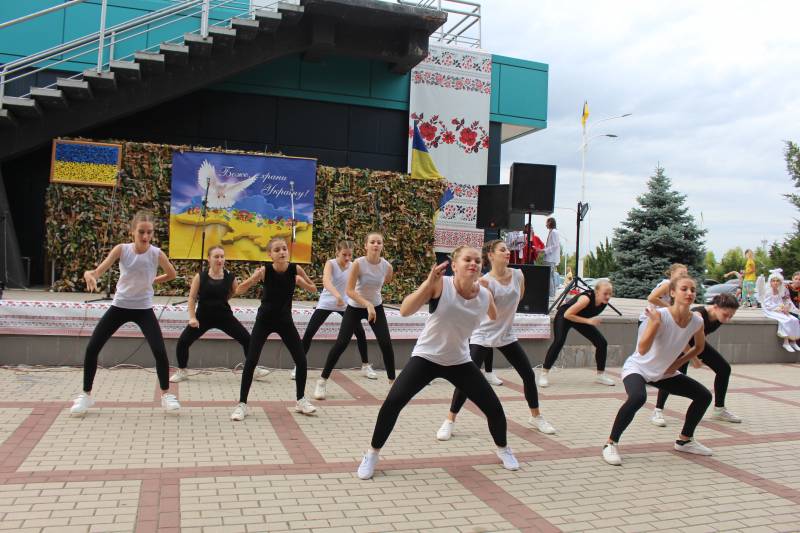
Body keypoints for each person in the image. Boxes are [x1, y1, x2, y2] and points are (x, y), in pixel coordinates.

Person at [356, 247, 518, 480]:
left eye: (477, 260)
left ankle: (503, 450)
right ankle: (372, 454)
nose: (473, 263)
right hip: (427, 357)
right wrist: (427, 284)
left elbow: (493, 315)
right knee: (393, 402)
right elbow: (404, 310)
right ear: (454, 265)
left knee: (493, 408)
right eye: (467, 259)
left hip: (459, 360)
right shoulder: (441, 285)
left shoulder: (484, 295)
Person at [435, 240, 556, 441]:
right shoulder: (485, 282)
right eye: (502, 250)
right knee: (466, 380)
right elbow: (486, 310)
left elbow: (519, 297)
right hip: (483, 335)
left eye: (508, 249)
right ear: (491, 255)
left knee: (527, 374)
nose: (507, 252)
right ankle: (449, 420)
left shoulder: (518, 275)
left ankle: (536, 417)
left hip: (506, 334)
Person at [71, 210, 180, 416]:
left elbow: (172, 274)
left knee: (159, 351)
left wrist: (154, 281)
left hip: (143, 309)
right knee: (92, 347)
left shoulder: (157, 253)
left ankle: (166, 395)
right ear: (132, 232)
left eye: (149, 232)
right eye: (141, 232)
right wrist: (89, 275)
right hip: (120, 306)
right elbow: (96, 271)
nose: (145, 236)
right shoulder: (122, 250)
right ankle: (86, 395)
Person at [602, 274, 712, 466]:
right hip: (638, 368)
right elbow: (642, 349)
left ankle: (684, 440)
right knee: (638, 398)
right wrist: (655, 324)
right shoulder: (660, 315)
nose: (689, 293)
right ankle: (610, 443)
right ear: (672, 293)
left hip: (664, 373)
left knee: (704, 396)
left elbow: (699, 347)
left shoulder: (696, 320)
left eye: (693, 290)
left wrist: (677, 364)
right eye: (684, 289)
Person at [230, 237, 318, 420]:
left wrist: (301, 283)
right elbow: (239, 291)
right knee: (251, 360)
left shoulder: (296, 269)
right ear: (270, 254)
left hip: (285, 321)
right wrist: (253, 278)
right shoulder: (265, 271)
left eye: (284, 249)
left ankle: (301, 400)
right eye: (277, 250)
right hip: (264, 321)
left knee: (301, 360)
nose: (282, 252)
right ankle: (242, 404)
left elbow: (313, 289)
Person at [169, 245, 270, 383]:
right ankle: (182, 371)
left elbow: (238, 291)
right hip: (203, 317)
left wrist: (252, 279)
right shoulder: (200, 277)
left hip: (224, 316)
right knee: (183, 342)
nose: (220, 259)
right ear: (209, 259)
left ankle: (253, 369)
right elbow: (192, 298)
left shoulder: (230, 277)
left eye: (222, 256)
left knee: (248, 340)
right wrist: (192, 317)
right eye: (216, 256)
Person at [314, 232, 396, 400]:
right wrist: (366, 304)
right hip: (356, 307)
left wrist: (372, 303)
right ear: (366, 245)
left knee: (386, 343)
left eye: (379, 242)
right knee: (341, 343)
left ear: (382, 246)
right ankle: (322, 381)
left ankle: (392, 384)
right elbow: (349, 291)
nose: (375, 245)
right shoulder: (358, 264)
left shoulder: (387, 266)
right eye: (372, 242)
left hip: (376, 307)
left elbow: (387, 280)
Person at [651, 293, 742, 426]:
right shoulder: (697, 316)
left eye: (731, 316)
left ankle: (719, 410)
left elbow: (700, 337)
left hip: (696, 343)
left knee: (724, 369)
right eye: (726, 315)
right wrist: (693, 357)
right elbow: (683, 338)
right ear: (715, 307)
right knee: (672, 375)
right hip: (678, 344)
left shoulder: (719, 316)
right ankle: (657, 410)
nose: (727, 319)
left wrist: (699, 353)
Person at [297, 240, 373, 379]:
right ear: (337, 252)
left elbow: (360, 285)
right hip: (327, 302)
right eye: (344, 254)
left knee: (360, 333)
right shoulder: (330, 263)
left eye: (350, 255)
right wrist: (337, 295)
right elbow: (326, 281)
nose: (347, 258)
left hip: (346, 305)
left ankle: (366, 366)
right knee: (309, 332)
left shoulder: (353, 266)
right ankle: (298, 366)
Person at [539, 280, 616, 387]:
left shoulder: (603, 302)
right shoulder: (586, 299)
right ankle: (544, 373)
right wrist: (589, 321)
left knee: (601, 343)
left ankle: (600, 376)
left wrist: (587, 321)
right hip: (565, 316)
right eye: (605, 293)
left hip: (579, 318)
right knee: (559, 341)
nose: (608, 296)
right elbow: (567, 315)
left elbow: (581, 316)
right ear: (597, 292)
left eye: (610, 294)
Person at [759, 269, 800, 352]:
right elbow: (766, 305)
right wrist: (777, 308)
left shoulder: (779, 291)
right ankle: (786, 342)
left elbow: (781, 302)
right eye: (773, 281)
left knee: (795, 319)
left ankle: (794, 341)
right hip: (770, 311)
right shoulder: (768, 291)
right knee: (786, 320)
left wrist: (784, 307)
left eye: (777, 281)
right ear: (770, 282)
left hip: (778, 310)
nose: (775, 283)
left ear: (780, 282)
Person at [541, 218, 561, 297]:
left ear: (551, 222)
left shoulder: (554, 232)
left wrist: (544, 250)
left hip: (550, 258)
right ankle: (552, 295)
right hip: (550, 258)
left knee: (549, 276)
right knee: (551, 276)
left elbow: (555, 245)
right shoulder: (552, 232)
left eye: (547, 222)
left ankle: (551, 295)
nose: (546, 224)